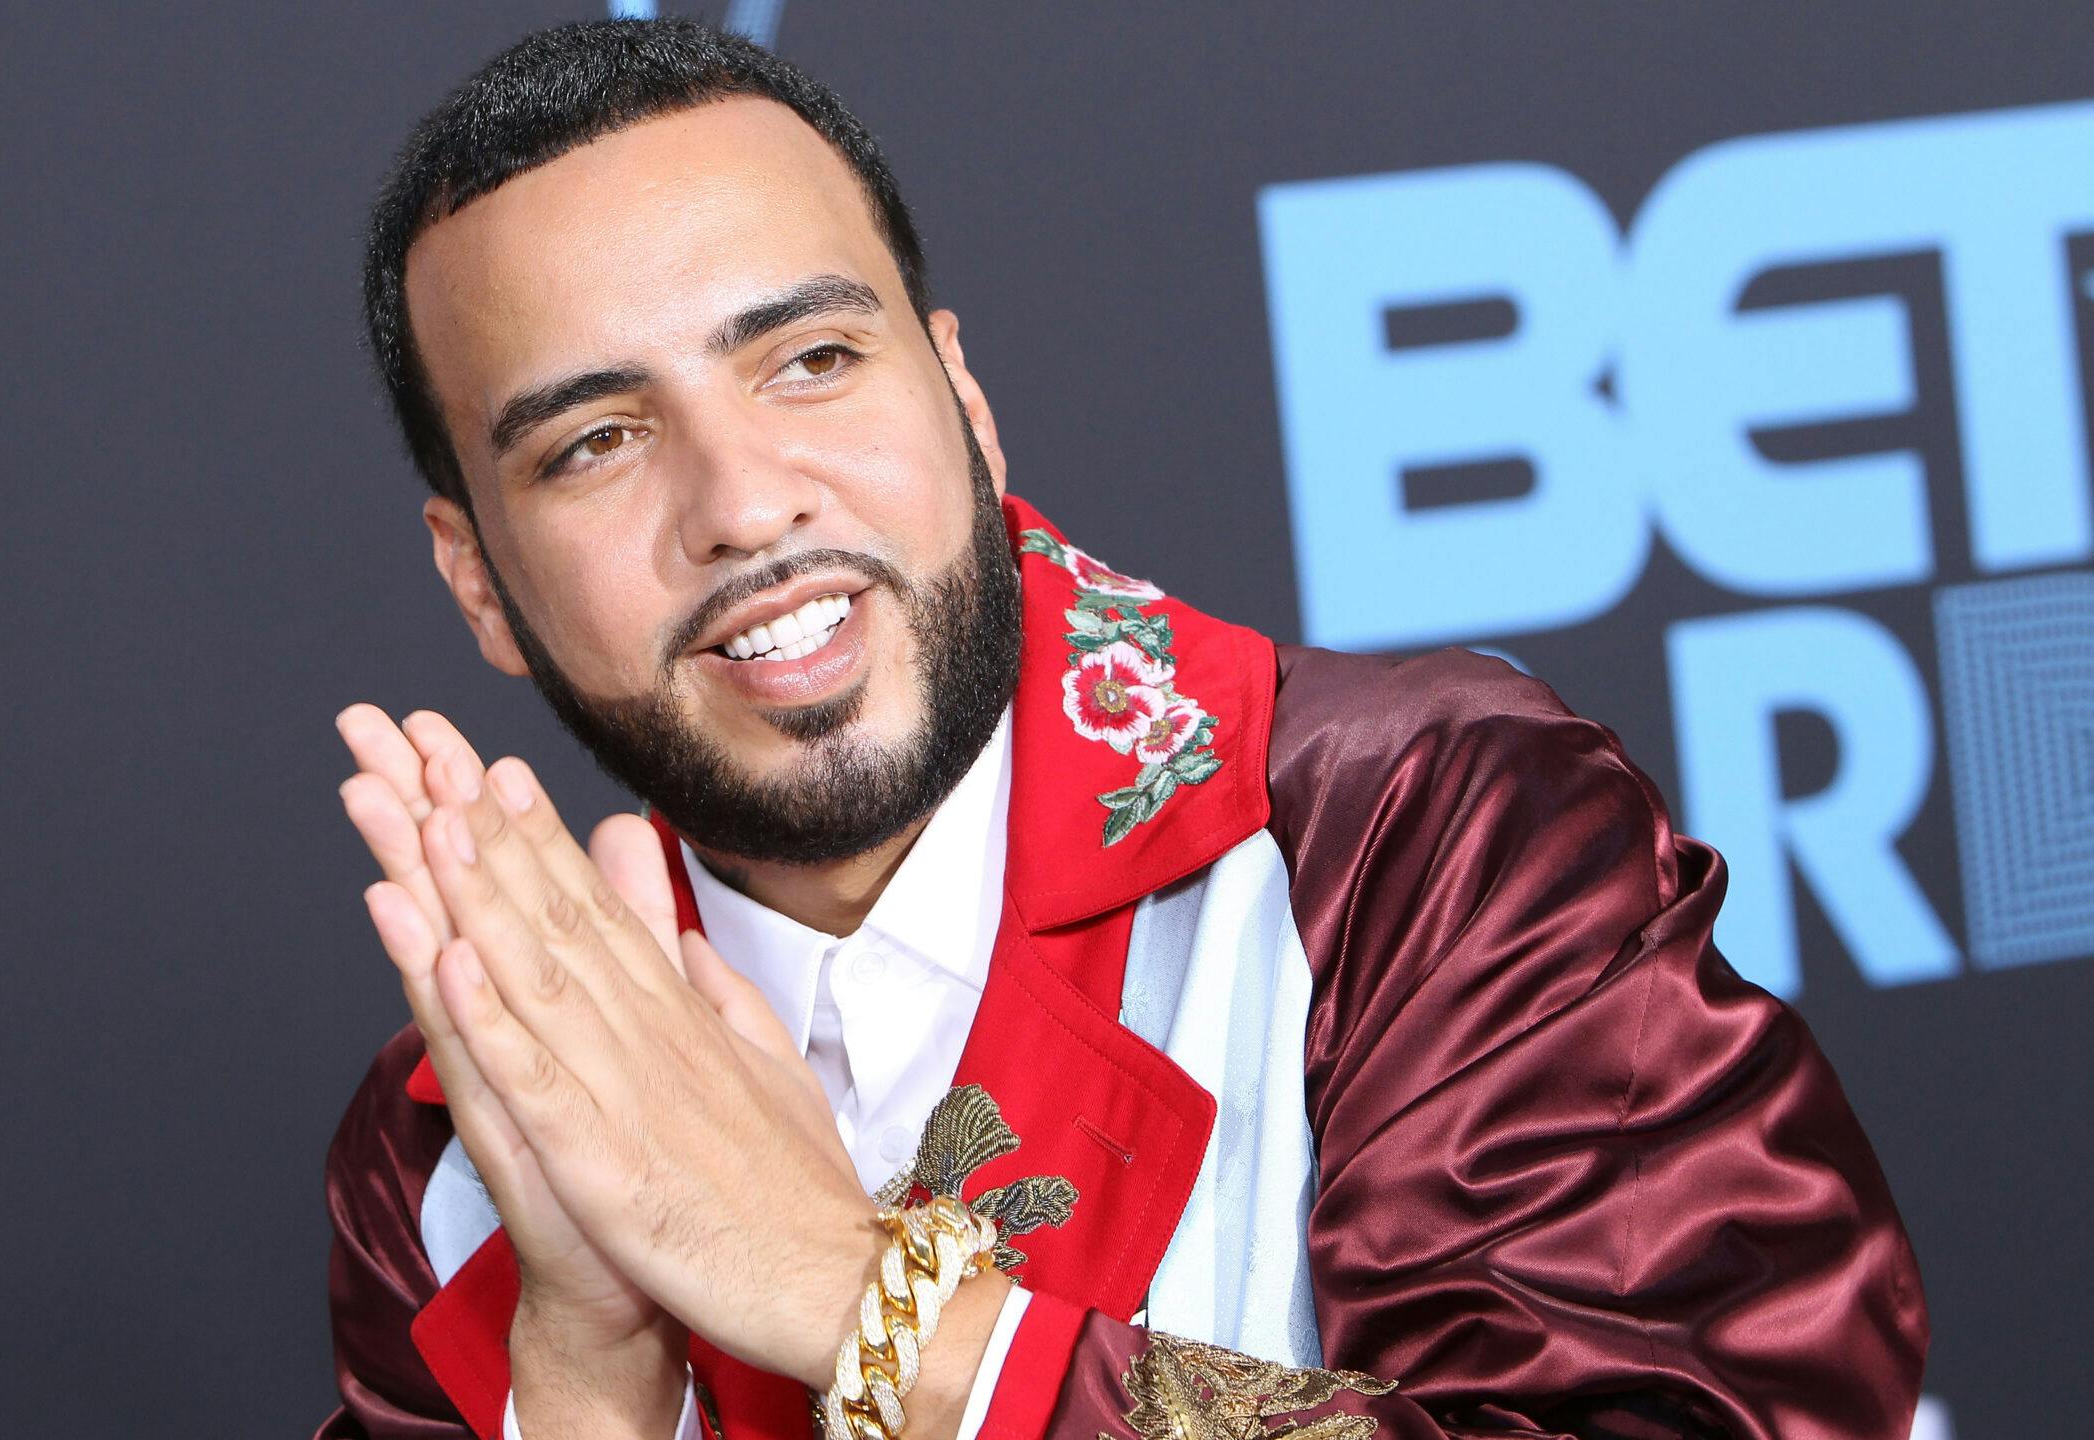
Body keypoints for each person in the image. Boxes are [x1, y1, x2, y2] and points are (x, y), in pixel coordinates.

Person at [317, 18, 1926, 1440]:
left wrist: (847, 1295)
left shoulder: (1412, 836)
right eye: (595, 444)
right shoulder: (466, 1134)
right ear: (478, 582)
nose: (741, 503)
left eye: (812, 360)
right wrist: (590, 1384)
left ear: (965, 398)